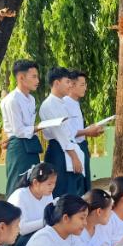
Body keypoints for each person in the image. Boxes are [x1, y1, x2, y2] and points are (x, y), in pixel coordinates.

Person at [1, 59, 44, 198]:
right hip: (19, 146)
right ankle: (11, 211)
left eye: (37, 76)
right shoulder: (12, 100)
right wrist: (38, 127)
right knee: (17, 184)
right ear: (21, 78)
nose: (37, 80)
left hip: (30, 144)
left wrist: (36, 128)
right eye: (34, 77)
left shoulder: (31, 99)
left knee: (33, 182)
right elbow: (19, 130)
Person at [39, 67, 84, 197]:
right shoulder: (49, 105)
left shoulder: (61, 103)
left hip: (67, 149)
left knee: (71, 191)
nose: (70, 85)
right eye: (67, 82)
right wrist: (74, 157)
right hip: (59, 151)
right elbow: (61, 135)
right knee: (61, 192)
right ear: (57, 83)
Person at [63, 70, 105, 195]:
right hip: (73, 148)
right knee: (77, 186)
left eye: (85, 84)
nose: (85, 88)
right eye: (82, 85)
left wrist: (89, 130)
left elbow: (76, 128)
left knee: (85, 184)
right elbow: (68, 132)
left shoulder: (75, 103)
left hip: (82, 146)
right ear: (72, 85)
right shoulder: (65, 103)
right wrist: (87, 131)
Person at [6, 163, 57, 246]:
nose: (52, 187)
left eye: (54, 183)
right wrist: (45, 221)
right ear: (36, 183)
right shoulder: (20, 195)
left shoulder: (48, 195)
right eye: (49, 184)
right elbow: (22, 229)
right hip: (16, 241)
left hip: (38, 235)